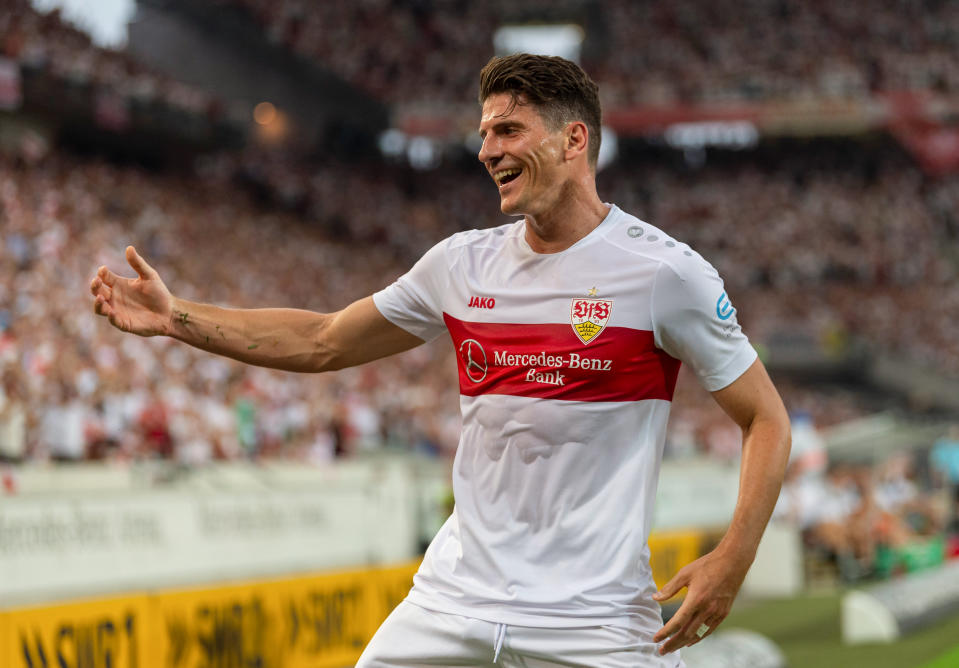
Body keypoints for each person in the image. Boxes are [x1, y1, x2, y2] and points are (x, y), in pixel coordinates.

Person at [91, 54, 791, 667]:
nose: (486, 149)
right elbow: (323, 340)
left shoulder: (664, 273)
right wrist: (178, 318)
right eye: (483, 132)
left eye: (507, 129)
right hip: (452, 601)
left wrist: (733, 557)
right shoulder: (460, 264)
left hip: (594, 618)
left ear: (574, 139)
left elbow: (765, 419)